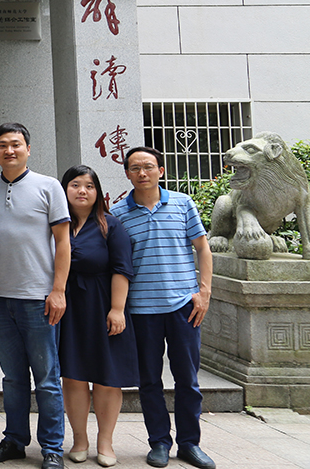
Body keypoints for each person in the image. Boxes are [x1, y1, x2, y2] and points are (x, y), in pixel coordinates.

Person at [111, 147, 215, 469]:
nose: (142, 173)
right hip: (141, 309)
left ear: (161, 170)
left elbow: (203, 248)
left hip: (184, 306)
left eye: (148, 167)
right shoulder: (118, 214)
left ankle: (189, 443)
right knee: (149, 381)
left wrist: (204, 292)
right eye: (135, 168)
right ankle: (158, 442)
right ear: (127, 174)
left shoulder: (183, 203)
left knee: (188, 379)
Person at [0, 123, 70, 469]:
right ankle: (14, 440)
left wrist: (58, 290)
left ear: (28, 148)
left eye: (16, 144)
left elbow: (63, 242)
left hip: (39, 299)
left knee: (47, 379)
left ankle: (52, 447)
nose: (9, 150)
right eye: (2, 145)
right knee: (13, 378)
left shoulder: (49, 186)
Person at [58, 165, 138, 468]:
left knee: (107, 377)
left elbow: (121, 269)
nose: (82, 191)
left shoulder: (110, 225)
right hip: (68, 308)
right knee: (73, 375)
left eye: (89, 186)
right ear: (64, 190)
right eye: (75, 185)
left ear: (97, 192)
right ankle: (79, 439)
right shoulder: (58, 224)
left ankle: (106, 441)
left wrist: (117, 309)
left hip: (103, 305)